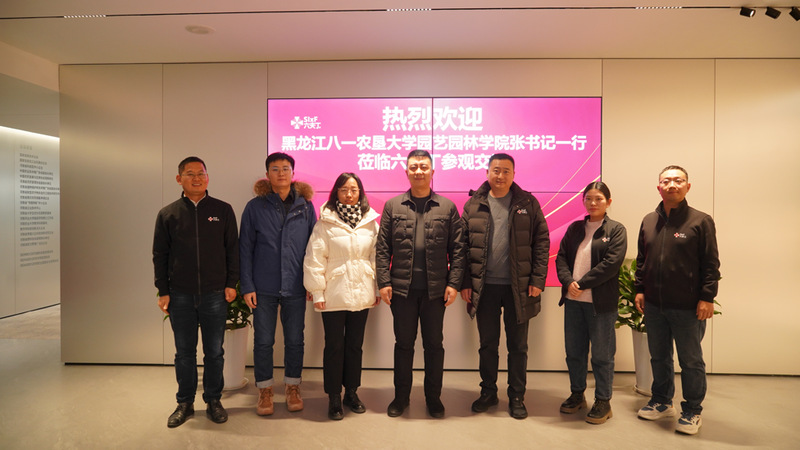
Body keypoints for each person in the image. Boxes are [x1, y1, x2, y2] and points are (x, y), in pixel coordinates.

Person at [376, 149, 466, 419]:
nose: (418, 171)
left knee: (434, 346)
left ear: (432, 172)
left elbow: (458, 250)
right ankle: (401, 398)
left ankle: (433, 399)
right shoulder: (393, 206)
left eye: (423, 167)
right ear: (406, 172)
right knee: (403, 345)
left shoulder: (447, 207)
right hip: (401, 290)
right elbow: (382, 248)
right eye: (413, 167)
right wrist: (384, 281)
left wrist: (453, 283)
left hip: (435, 292)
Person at [460, 153, 550, 420]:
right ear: (487, 172)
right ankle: (488, 392)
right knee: (488, 344)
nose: (500, 176)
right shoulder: (473, 204)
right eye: (496, 170)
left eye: (506, 171)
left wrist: (537, 279)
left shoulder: (527, 203)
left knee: (518, 346)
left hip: (518, 288)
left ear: (514, 174)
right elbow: (462, 246)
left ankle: (517, 396)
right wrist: (466, 282)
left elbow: (542, 242)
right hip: (485, 287)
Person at [152, 156, 239, 428]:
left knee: (214, 352)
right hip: (180, 294)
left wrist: (231, 283)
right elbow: (160, 255)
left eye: (201, 173)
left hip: (215, 293)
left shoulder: (222, 210)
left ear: (207, 177)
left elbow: (232, 250)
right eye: (190, 174)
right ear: (179, 179)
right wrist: (163, 290)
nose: (197, 178)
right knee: (184, 353)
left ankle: (213, 400)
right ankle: (185, 403)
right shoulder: (168, 214)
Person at [634, 165, 720, 435]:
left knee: (690, 361)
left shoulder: (700, 221)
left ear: (687, 186)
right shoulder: (649, 220)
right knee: (659, 357)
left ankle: (692, 411)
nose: (672, 185)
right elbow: (642, 259)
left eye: (678, 180)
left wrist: (707, 297)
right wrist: (639, 289)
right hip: (654, 305)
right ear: (658, 187)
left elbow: (711, 263)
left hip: (687, 307)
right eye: (667, 181)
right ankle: (662, 401)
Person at [239, 152, 316, 416]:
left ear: (293, 173)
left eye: (285, 168)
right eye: (275, 169)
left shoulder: (306, 206)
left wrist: (313, 283)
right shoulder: (254, 207)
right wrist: (247, 286)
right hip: (263, 287)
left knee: (295, 340)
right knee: (263, 341)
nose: (281, 173)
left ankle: (293, 387)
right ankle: (265, 390)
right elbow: (245, 248)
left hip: (296, 285)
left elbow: (315, 248)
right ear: (267, 174)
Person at [303, 173, 381, 420]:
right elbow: (314, 259)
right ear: (336, 192)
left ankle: (352, 392)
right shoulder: (325, 223)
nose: (349, 194)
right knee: (334, 346)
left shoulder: (371, 222)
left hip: (362, 292)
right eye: (344, 189)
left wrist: (377, 288)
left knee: (355, 346)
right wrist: (317, 291)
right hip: (333, 293)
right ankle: (334, 396)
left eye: (354, 190)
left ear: (360, 193)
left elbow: (376, 258)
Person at [555, 181, 627, 424]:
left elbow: (611, 264)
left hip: (600, 304)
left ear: (608, 202)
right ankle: (577, 394)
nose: (593, 203)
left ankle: (603, 401)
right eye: (588, 198)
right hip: (573, 301)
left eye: (598, 198)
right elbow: (561, 258)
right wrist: (568, 283)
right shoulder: (575, 228)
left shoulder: (616, 230)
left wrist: (582, 283)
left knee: (602, 355)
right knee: (574, 352)